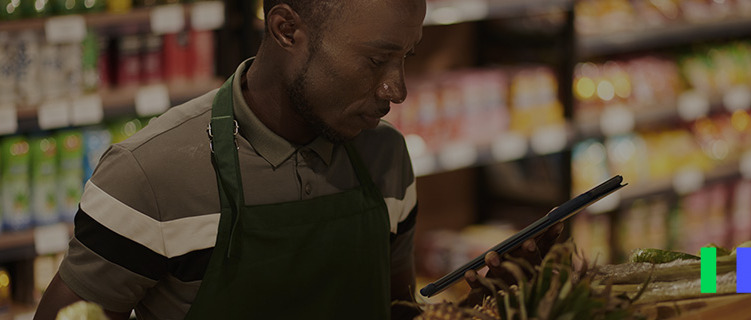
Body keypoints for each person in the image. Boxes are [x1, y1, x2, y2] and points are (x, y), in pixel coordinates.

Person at [35, 0, 562, 318]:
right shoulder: (151, 174)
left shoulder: (387, 159)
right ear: (287, 29)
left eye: (407, 58)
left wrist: (487, 300)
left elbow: (396, 315)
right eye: (377, 59)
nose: (397, 89)